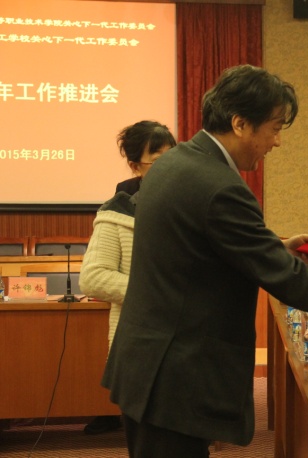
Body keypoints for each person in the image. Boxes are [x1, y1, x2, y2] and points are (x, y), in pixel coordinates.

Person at [101, 64, 308, 458]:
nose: (277, 142)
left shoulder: (175, 163)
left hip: (150, 365)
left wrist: (277, 249)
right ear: (240, 123)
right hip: (175, 374)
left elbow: (201, 251)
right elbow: (286, 279)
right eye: (275, 128)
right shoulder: (219, 185)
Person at [80, 120, 176, 435]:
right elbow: (94, 278)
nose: (170, 168)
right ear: (136, 167)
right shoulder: (118, 211)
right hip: (139, 344)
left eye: (174, 158)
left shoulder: (192, 203)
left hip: (186, 344)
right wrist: (157, 292)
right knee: (148, 438)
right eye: (158, 161)